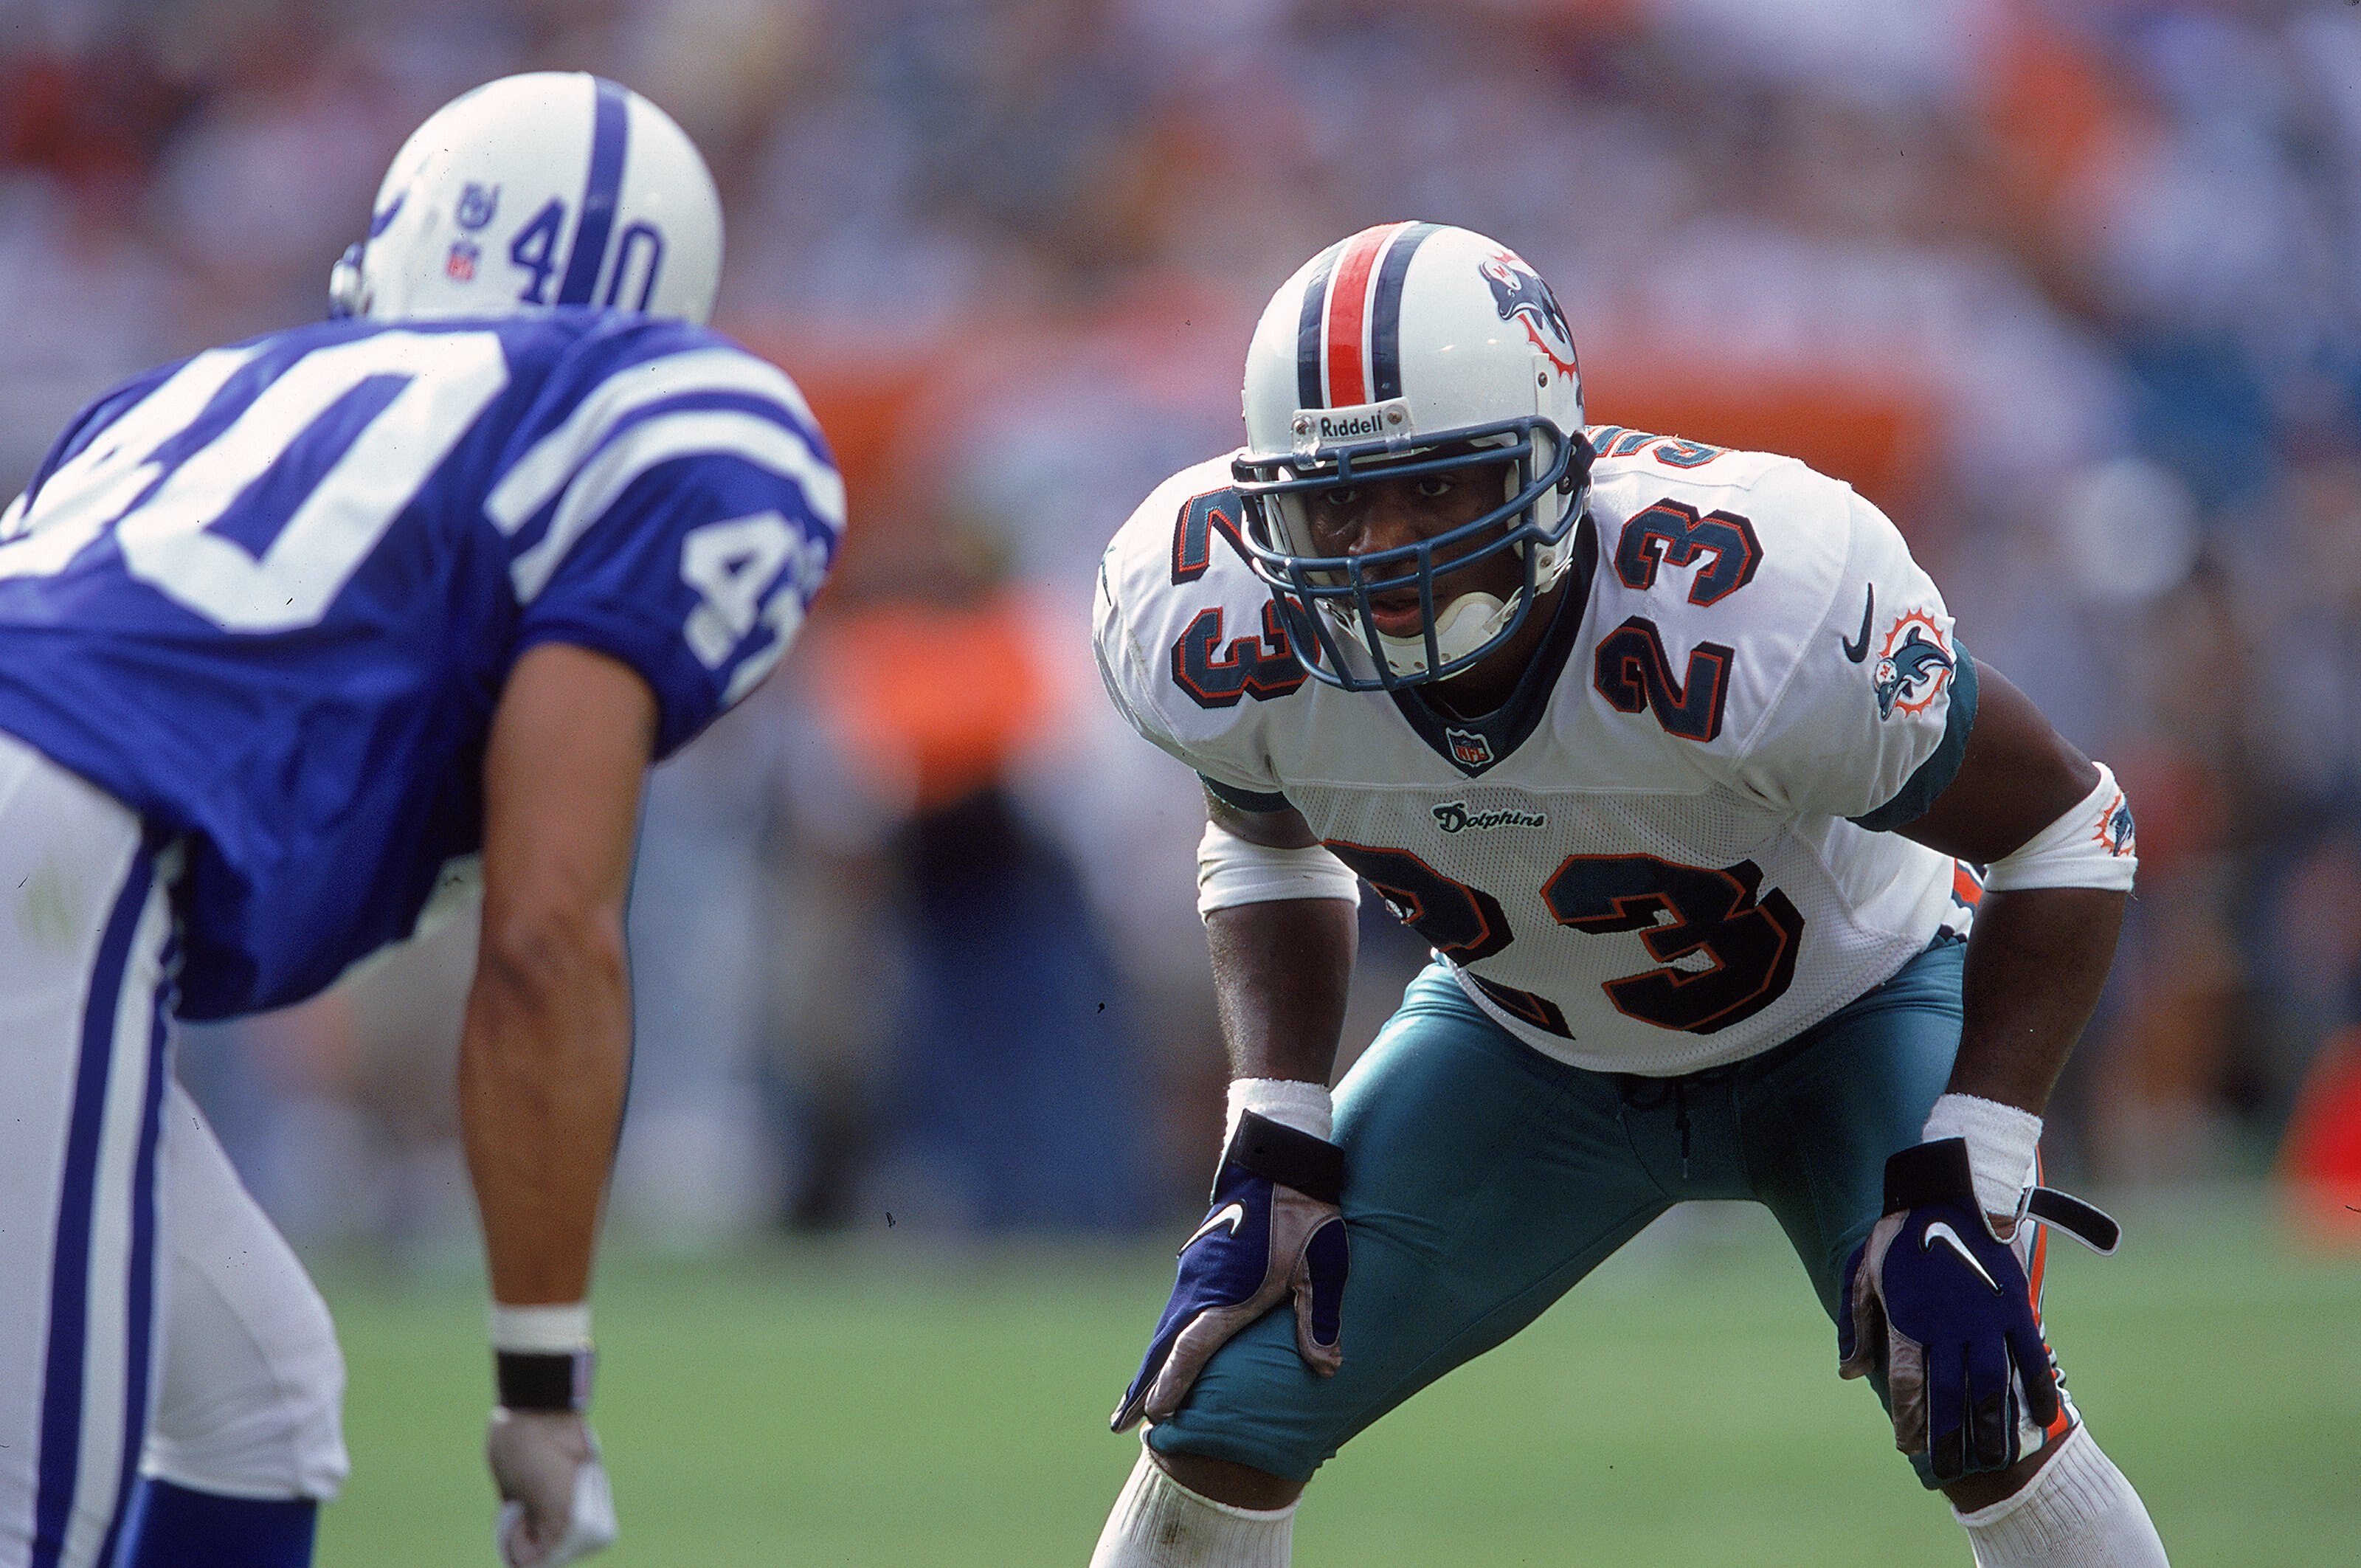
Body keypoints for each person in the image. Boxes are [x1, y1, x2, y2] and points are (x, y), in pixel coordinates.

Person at [1087, 221, 2168, 1567]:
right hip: (1527, 1046)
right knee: (1223, 1400)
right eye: (1337, 504)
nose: (1380, 552)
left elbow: (2070, 826)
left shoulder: (1750, 598)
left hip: (1853, 1005)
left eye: (1437, 488)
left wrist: (1972, 1165)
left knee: (1974, 1398)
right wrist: (1275, 1135)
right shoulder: (1214, 609)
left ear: (1552, 465)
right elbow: (1261, 838)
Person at [0, 72, 843, 1568]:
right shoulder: (680, 419)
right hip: (43, 832)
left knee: (255, 1401)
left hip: (47, 842)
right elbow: (545, 929)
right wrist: (543, 1378)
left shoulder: (191, 396)